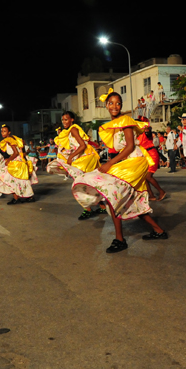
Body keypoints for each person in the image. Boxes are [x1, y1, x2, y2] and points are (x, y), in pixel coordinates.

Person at [71, 91, 167, 253]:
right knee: (130, 200)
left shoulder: (125, 121)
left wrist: (110, 163)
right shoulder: (114, 123)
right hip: (128, 162)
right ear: (106, 105)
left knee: (112, 195)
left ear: (121, 105)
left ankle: (119, 239)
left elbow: (130, 146)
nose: (114, 106)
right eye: (111, 103)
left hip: (135, 162)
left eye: (118, 103)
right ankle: (158, 231)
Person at [47, 111, 107, 218]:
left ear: (72, 120)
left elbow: (82, 145)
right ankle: (102, 207)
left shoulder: (73, 129)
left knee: (80, 184)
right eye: (63, 120)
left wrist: (70, 157)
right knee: (88, 183)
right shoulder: (70, 131)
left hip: (86, 159)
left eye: (66, 119)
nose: (64, 122)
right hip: (84, 158)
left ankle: (88, 209)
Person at [0, 124, 37, 204]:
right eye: (1, 131)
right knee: (18, 180)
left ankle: (18, 198)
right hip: (20, 162)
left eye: (4, 131)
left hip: (16, 162)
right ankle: (26, 197)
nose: (2, 133)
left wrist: (8, 160)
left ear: (9, 132)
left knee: (8, 179)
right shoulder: (15, 138)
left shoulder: (9, 140)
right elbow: (22, 149)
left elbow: (16, 152)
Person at [139, 120, 168, 200]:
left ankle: (161, 191)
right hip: (146, 155)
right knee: (144, 177)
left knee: (148, 176)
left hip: (152, 154)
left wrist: (146, 127)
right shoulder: (137, 134)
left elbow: (148, 131)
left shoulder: (145, 132)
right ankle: (151, 195)